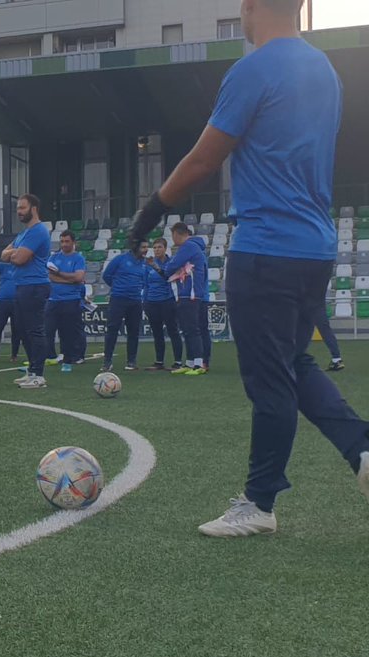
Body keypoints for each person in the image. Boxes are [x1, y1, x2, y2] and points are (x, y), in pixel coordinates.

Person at [128, 0, 369, 536]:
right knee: (291, 362)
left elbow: (203, 158)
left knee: (268, 379)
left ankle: (259, 504)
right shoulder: (323, 69)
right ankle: (363, 448)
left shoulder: (253, 68)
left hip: (266, 246)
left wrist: (149, 214)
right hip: (315, 246)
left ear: (252, 5)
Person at [1, 194, 51, 389]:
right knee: (22, 331)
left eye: (22, 208)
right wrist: (15, 253)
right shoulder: (23, 234)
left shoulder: (37, 231)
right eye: (18, 209)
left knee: (35, 330)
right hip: (22, 286)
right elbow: (4, 254)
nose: (19, 212)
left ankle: (39, 375)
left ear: (34, 208)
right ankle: (32, 371)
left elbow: (19, 259)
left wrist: (15, 254)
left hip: (35, 286)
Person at [160, 223, 209, 375]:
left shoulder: (188, 247)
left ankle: (199, 364)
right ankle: (190, 362)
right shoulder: (193, 247)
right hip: (190, 293)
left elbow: (172, 266)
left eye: (173, 235)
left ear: (176, 234)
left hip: (190, 294)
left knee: (192, 329)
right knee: (188, 329)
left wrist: (168, 270)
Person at [101, 240, 148, 372]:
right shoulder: (120, 259)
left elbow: (144, 281)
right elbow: (106, 275)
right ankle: (107, 361)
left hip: (135, 301)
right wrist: (118, 288)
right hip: (118, 299)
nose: (145, 250)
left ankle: (131, 362)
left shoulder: (144, 264)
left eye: (146, 247)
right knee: (112, 329)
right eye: (143, 247)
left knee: (133, 331)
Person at [44, 231, 87, 373]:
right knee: (48, 330)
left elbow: (78, 278)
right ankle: (50, 356)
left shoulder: (78, 258)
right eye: (62, 241)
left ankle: (68, 361)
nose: (64, 244)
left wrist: (60, 274)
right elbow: (50, 277)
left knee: (68, 332)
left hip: (71, 300)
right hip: (53, 299)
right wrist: (69, 279)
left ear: (73, 242)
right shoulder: (54, 257)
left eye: (67, 241)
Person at [144, 238, 183, 371]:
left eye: (159, 247)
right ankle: (159, 361)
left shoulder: (171, 263)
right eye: (154, 248)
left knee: (173, 331)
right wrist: (146, 301)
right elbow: (146, 284)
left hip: (167, 300)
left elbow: (167, 276)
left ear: (165, 248)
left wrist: (155, 267)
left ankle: (178, 361)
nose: (156, 250)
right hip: (152, 301)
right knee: (157, 332)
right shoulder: (148, 264)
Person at [314, 305, 344, 371]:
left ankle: (294, 359)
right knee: (326, 330)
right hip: (318, 304)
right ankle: (337, 359)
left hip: (305, 303)